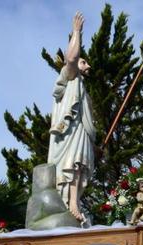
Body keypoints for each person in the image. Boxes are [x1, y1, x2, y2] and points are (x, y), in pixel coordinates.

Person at [49, 12, 95, 223]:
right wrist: (76, 32)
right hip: (67, 133)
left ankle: (74, 202)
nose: (87, 66)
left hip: (80, 131)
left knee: (79, 166)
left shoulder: (82, 87)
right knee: (72, 164)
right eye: (84, 62)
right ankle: (70, 205)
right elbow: (71, 58)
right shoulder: (68, 76)